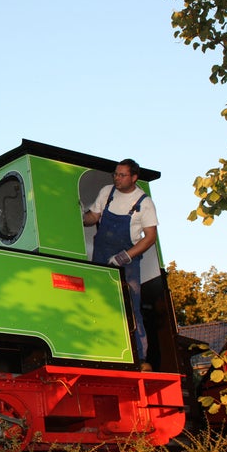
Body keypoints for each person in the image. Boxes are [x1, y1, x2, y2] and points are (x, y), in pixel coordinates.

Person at [83, 159, 158, 371]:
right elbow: (94, 217)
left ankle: (141, 359)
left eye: (122, 175)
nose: (117, 178)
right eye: (116, 174)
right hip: (101, 256)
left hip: (128, 262)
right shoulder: (107, 192)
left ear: (134, 177)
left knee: (130, 307)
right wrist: (79, 216)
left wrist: (125, 256)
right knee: (97, 303)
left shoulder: (144, 203)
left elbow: (150, 237)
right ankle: (102, 352)